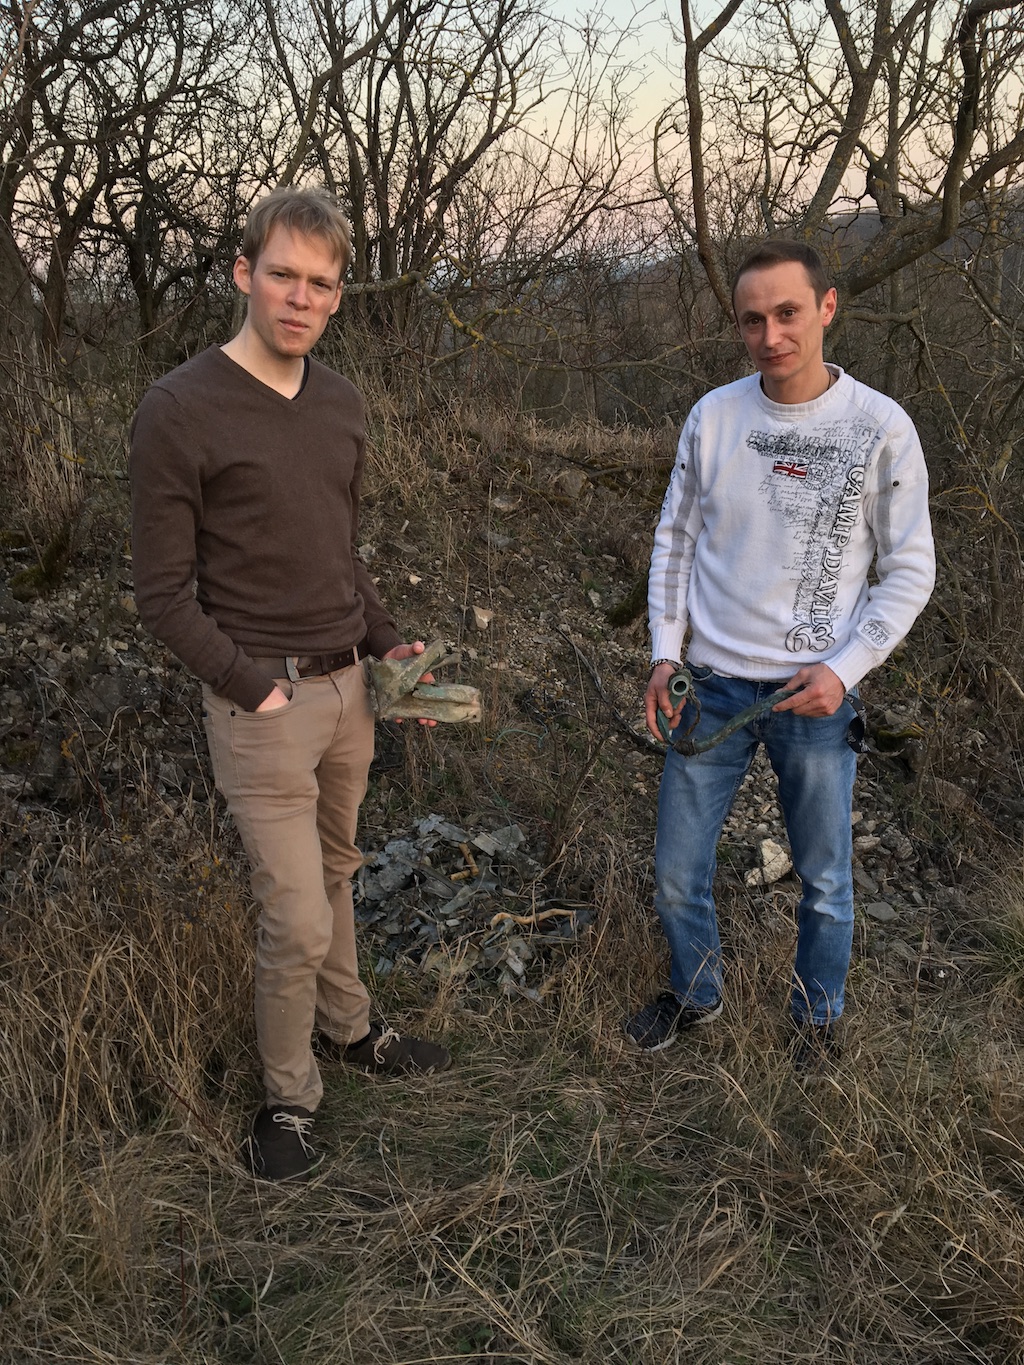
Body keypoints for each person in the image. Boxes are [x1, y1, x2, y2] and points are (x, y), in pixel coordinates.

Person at [130, 187, 450, 1182]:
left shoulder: (344, 404)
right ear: (242, 274)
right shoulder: (179, 408)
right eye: (283, 275)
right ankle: (285, 1100)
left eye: (320, 283)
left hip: (350, 689)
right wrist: (248, 683)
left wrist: (388, 648)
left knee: (340, 875)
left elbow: (337, 555)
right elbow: (158, 596)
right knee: (296, 916)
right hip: (258, 707)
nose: (300, 297)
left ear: (338, 296)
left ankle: (352, 1031)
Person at [625, 240, 935, 1063]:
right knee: (675, 871)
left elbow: (909, 571)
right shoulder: (714, 416)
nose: (771, 335)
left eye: (788, 313)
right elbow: (675, 540)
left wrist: (844, 669)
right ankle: (694, 997)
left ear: (827, 308)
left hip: (814, 695)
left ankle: (817, 1017)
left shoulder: (880, 428)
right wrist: (666, 653)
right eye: (753, 319)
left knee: (826, 881)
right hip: (714, 686)